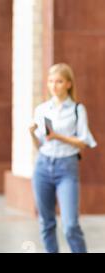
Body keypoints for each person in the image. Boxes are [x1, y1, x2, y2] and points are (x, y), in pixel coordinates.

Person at [29, 63, 97, 253]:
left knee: (70, 225)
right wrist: (32, 134)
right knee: (46, 223)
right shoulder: (41, 109)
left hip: (67, 168)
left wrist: (58, 136)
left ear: (68, 84)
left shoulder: (77, 109)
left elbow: (84, 142)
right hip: (43, 166)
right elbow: (40, 146)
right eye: (51, 81)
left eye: (59, 81)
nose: (54, 85)